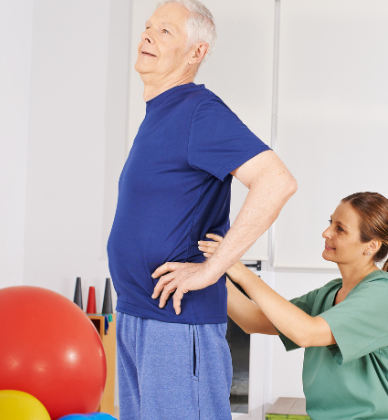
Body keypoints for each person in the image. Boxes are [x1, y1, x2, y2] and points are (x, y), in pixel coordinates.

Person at [106, 0, 297, 419]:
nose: (148, 36)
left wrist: (213, 269)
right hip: (137, 315)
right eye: (148, 27)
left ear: (197, 53)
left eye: (166, 32)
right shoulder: (159, 114)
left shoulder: (198, 112)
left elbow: (277, 181)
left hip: (176, 326)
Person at [199, 192, 388, 420]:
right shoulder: (330, 293)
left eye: (340, 229)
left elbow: (306, 333)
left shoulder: (385, 294)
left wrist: (237, 268)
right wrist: (214, 272)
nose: (326, 233)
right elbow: (253, 320)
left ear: (371, 245)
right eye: (330, 223)